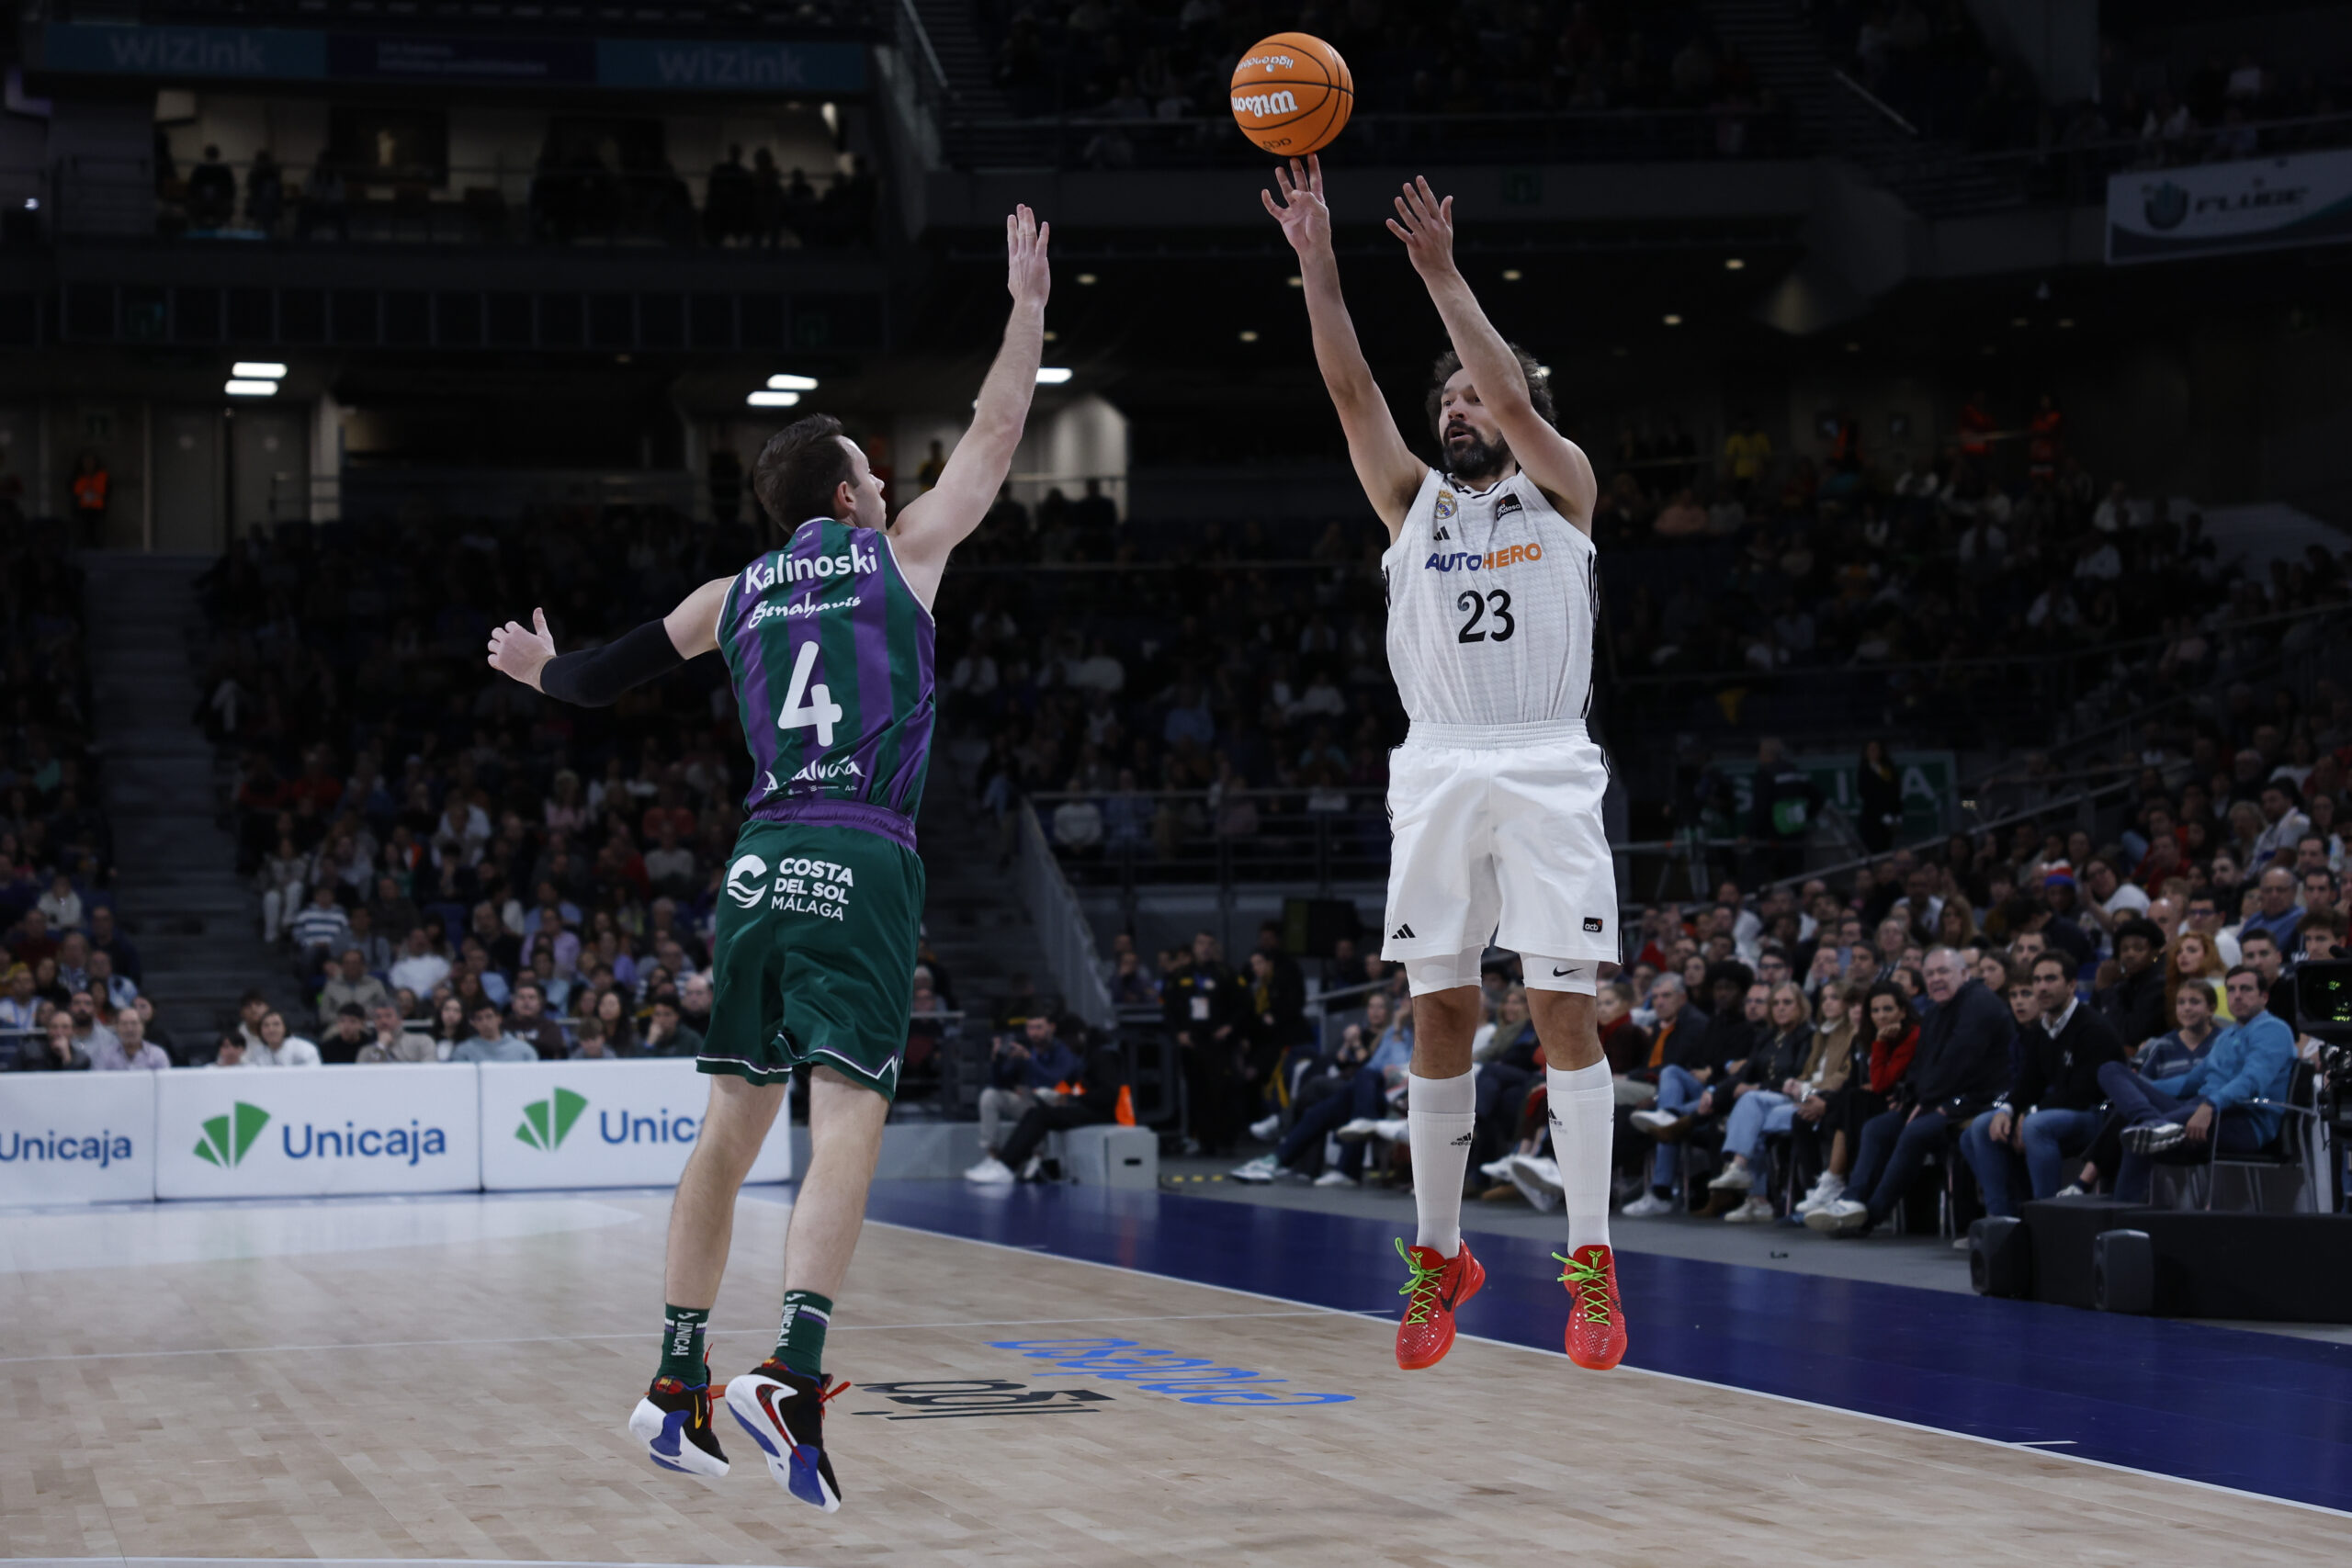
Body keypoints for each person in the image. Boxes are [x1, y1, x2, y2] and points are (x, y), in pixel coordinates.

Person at [487, 206, 1051, 1508]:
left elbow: (596, 678)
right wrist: (1025, 307)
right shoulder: (900, 559)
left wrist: (536, 669)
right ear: (848, 498)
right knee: (846, 1109)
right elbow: (999, 428)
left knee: (731, 1123)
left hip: (758, 862)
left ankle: (675, 1378)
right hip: (861, 853)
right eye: (875, 473)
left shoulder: (729, 594)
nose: (891, 486)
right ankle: (790, 1368)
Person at [1265, 156, 1623, 1374]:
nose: (1459, 407)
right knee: (1441, 1015)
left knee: (1563, 1011)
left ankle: (1590, 1258)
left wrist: (1441, 275)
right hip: (1437, 767)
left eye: (1476, 395)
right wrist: (1318, 262)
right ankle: (1438, 1255)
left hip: (1546, 764)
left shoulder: (1562, 490)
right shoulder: (1409, 502)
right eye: (1450, 398)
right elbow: (1348, 384)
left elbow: (1515, 396)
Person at [1808, 948, 2007, 1236]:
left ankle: (1869, 1217)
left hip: (1980, 1100)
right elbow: (1920, 1065)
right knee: (1877, 1127)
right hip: (1941, 1099)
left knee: (1915, 1131)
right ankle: (1852, 1201)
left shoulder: (1978, 1003)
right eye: (1930, 974)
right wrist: (1910, 1096)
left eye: (1943, 972)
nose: (1936, 979)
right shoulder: (1936, 1010)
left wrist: (1924, 1102)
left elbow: (1959, 1063)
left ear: (1964, 974)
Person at [2098, 965, 2296, 1202]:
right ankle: (2150, 1121)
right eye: (2231, 989)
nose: (2237, 996)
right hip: (2199, 1108)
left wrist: (2211, 1105)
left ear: (2264, 996)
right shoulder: (2227, 1035)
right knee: (2110, 1070)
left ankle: (2122, 1213)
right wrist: (2137, 1086)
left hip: (2242, 1118)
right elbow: (2190, 1081)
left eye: (2245, 989)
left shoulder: (2273, 1030)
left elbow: (2252, 1081)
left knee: (2139, 1137)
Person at [1960, 954, 2124, 1219]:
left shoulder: (2092, 1028)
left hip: (2097, 1115)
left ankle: (2045, 1217)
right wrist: (2007, 1110)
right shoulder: (2042, 1029)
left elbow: (2083, 1094)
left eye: (2050, 979)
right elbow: (2028, 1084)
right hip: (2059, 1111)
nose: (2042, 987)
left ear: (2071, 985)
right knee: (1979, 1128)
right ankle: (2002, 1219)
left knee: (2036, 1126)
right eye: (2037, 980)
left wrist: (2030, 1113)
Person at [965, 1013, 1080, 1182]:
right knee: (990, 1095)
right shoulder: (1025, 1050)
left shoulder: (1063, 1052)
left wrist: (1028, 1060)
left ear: (1051, 1027)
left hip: (1056, 1108)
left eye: (1039, 1027)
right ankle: (993, 1158)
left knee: (1044, 1096)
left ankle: (1038, 1157)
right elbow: (1000, 1083)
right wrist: (997, 1060)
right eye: (1030, 1028)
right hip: (1029, 1105)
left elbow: (1055, 1082)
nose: (1034, 1033)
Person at [451, 1001, 537, 1064]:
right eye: (479, 1019)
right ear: (473, 1023)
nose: (485, 1022)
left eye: (489, 1017)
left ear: (499, 1018)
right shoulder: (463, 1051)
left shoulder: (524, 1050)